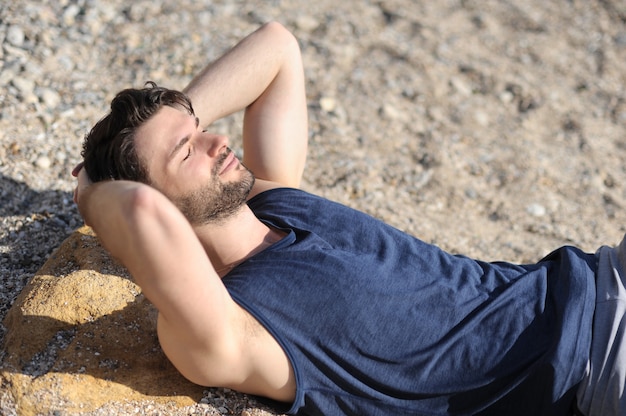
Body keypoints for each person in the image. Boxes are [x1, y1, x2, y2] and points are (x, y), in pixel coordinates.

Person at [72, 22, 624, 416]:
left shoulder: (275, 199)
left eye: (201, 126)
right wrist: (88, 190)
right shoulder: (234, 330)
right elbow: (143, 212)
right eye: (188, 151)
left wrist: (173, 128)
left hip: (598, 273)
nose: (218, 140)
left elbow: (277, 47)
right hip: (595, 368)